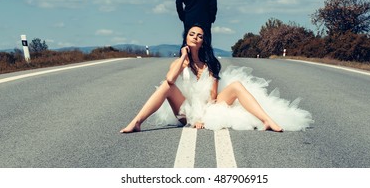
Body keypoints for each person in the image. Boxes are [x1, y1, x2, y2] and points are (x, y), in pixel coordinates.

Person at [120, 25, 313, 133]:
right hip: (185, 109)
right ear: (186, 37)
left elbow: (212, 98)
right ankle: (137, 122)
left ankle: (267, 120)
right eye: (192, 34)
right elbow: (170, 80)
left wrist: (201, 117)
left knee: (237, 85)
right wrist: (183, 57)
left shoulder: (210, 64)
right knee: (165, 86)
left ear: (204, 41)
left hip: (208, 108)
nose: (195, 37)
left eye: (200, 36)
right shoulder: (180, 62)